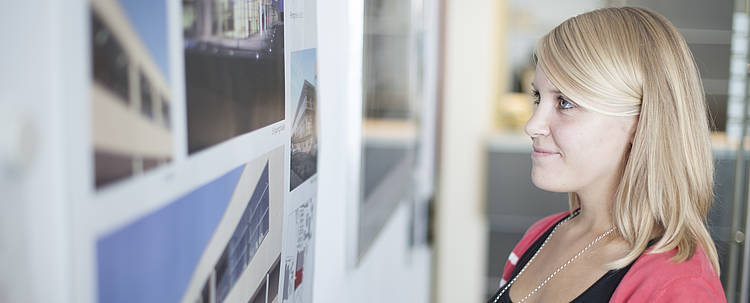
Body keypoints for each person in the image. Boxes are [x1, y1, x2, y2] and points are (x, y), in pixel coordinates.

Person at [488, 7, 726, 303]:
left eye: (565, 103)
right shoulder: (540, 236)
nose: (532, 125)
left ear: (639, 122)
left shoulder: (677, 287)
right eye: (538, 97)